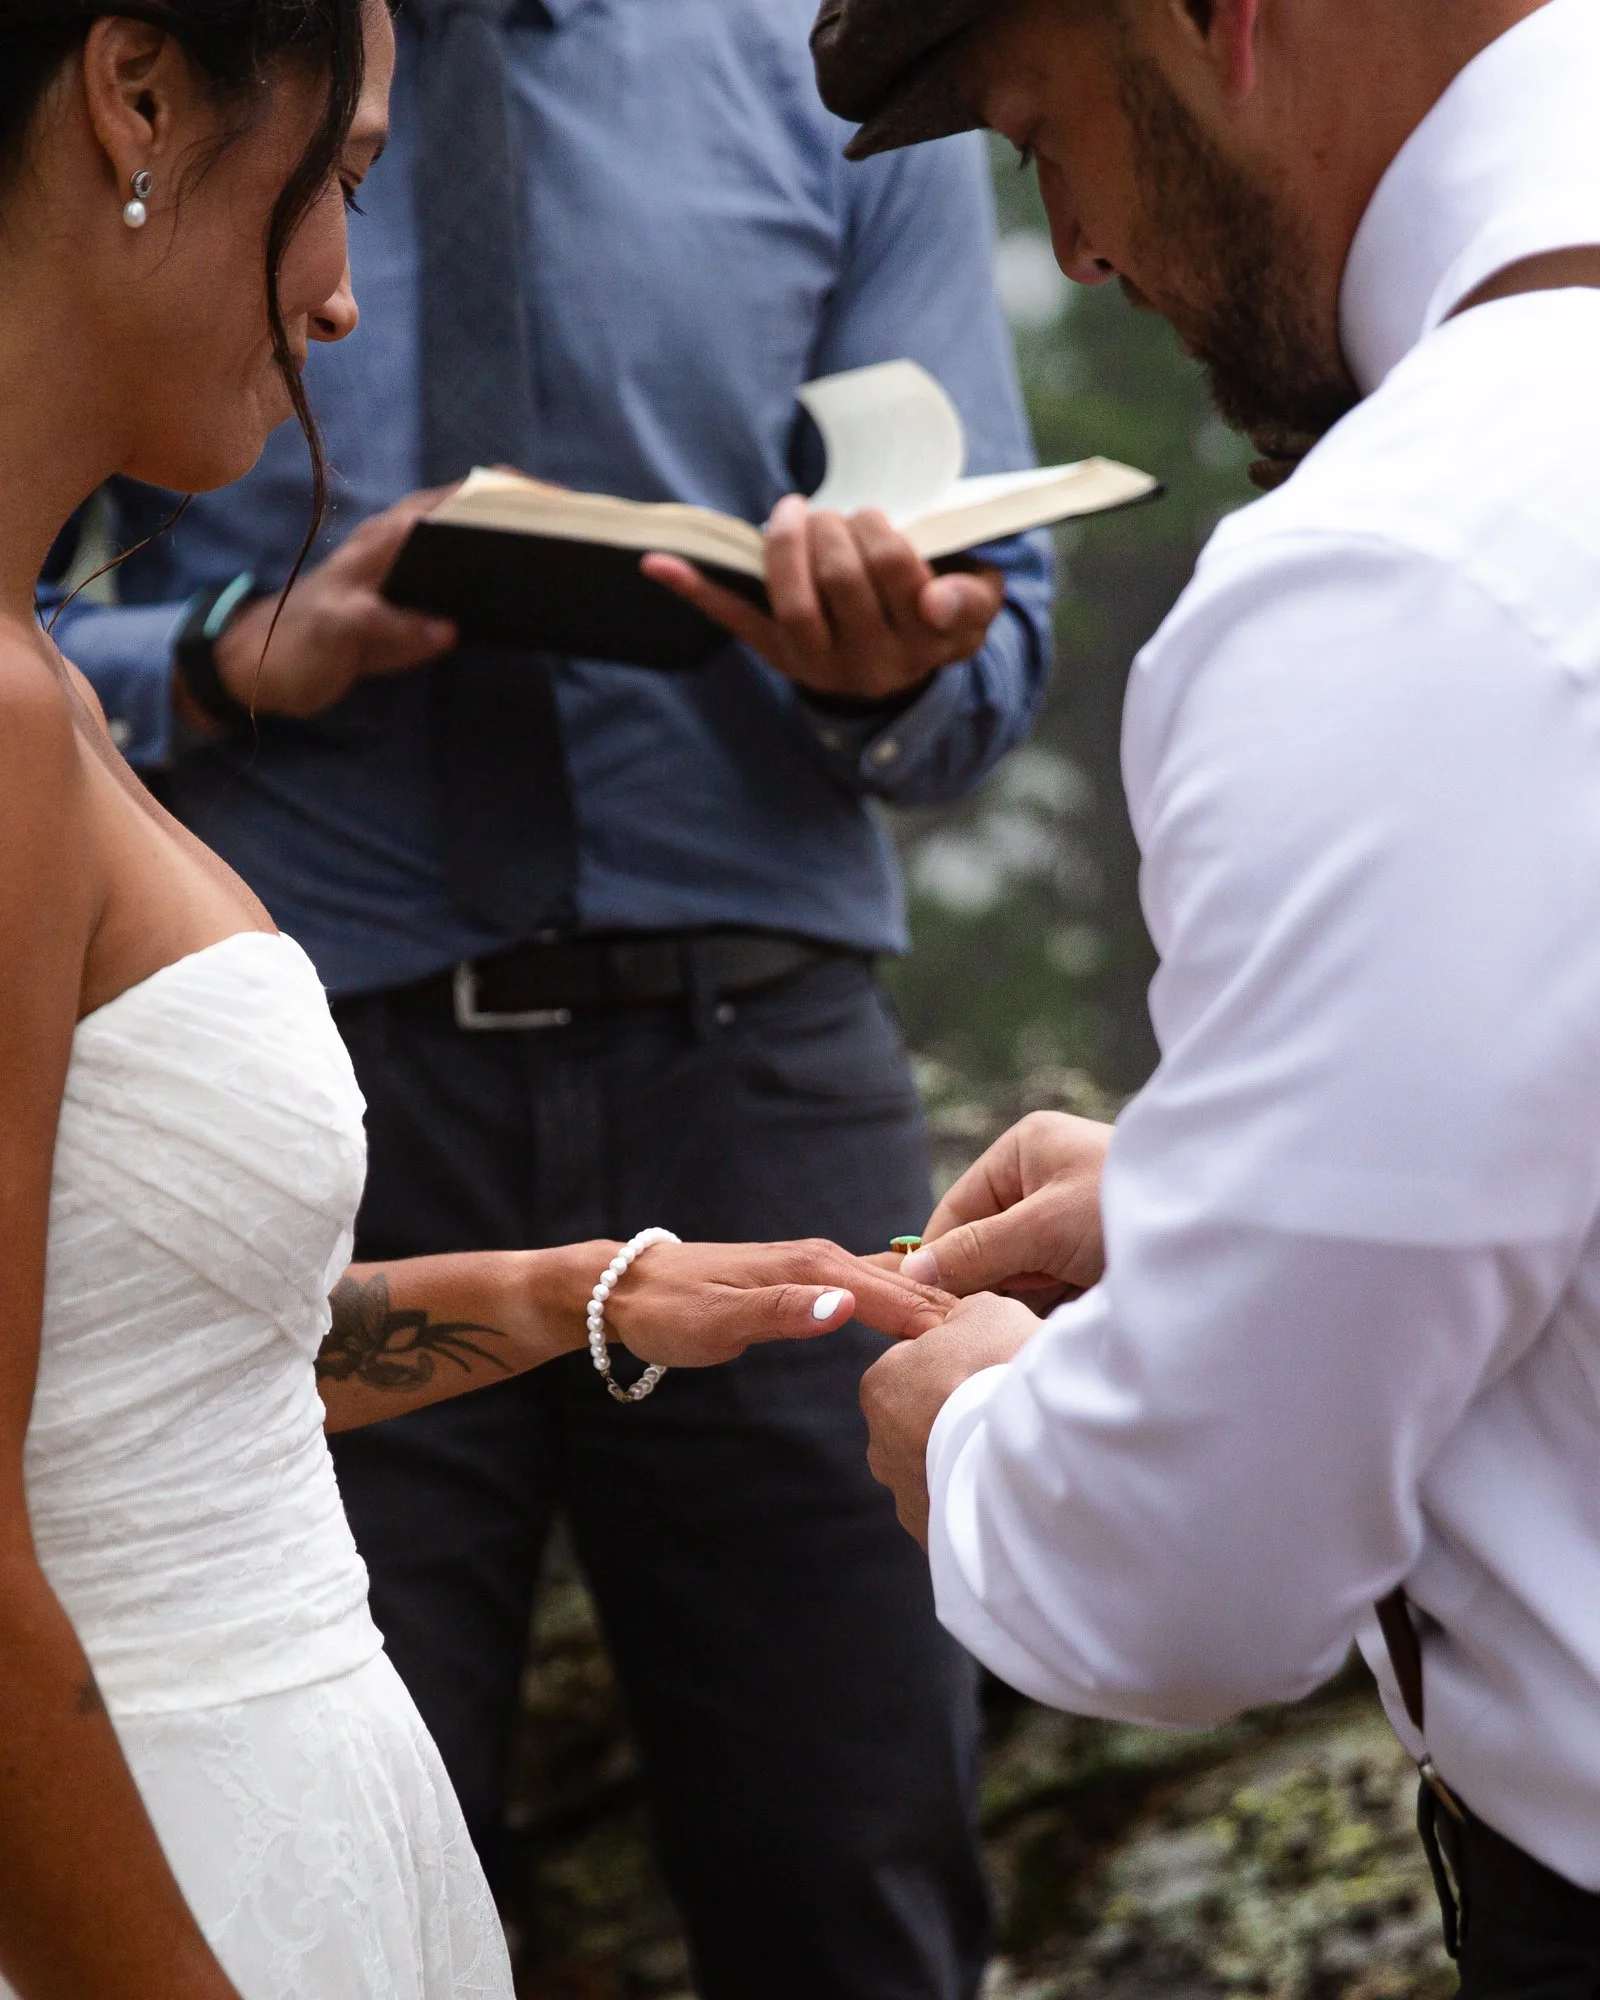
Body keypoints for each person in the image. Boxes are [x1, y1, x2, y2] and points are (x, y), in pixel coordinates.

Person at [46, 2, 1055, 1990]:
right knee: (313, 1823)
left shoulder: (839, 62)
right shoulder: (196, 64)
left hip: (756, 1074)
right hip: (305, 1107)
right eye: (329, 195)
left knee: (856, 1861)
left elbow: (996, 632)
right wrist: (233, 651)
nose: (324, 288)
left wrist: (883, 663)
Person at [813, 0, 1600, 1983]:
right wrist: (1230, 1196)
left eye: (1035, 132)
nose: (1074, 247)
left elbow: (1195, 1569)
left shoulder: (1399, 567)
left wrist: (983, 1433)